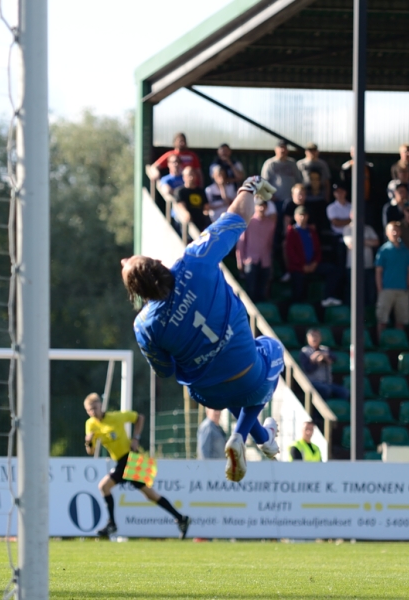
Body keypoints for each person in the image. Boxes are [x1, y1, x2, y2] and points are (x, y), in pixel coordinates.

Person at [123, 176, 283, 483]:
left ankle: (263, 438)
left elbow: (165, 370)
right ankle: (241, 435)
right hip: (245, 371)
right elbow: (238, 216)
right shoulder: (194, 260)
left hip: (207, 392)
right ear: (159, 263)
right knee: (272, 351)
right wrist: (248, 187)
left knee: (226, 379)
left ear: (139, 294)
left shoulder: (144, 326)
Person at [83, 393, 190, 539]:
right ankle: (181, 518)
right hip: (122, 461)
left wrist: (136, 438)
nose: (93, 412)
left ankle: (112, 524)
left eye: (95, 408)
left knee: (104, 486)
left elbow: (139, 418)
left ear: (100, 405)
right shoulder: (90, 424)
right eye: (89, 410)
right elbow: (91, 451)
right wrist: (88, 442)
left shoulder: (115, 417)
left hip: (131, 458)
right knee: (150, 494)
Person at [284, 206, 342, 307]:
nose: (303, 218)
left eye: (305, 215)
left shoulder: (311, 231)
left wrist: (314, 263)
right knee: (298, 289)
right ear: (295, 217)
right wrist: (303, 265)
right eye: (300, 215)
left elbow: (317, 250)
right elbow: (291, 253)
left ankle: (327, 297)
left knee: (333, 270)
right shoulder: (292, 232)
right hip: (298, 267)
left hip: (313, 265)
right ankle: (298, 310)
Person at [374, 221, 409, 335]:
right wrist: (380, 288)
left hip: (402, 290)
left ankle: (398, 344)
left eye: (397, 230)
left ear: (400, 232)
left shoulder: (406, 251)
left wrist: (408, 286)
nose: (395, 233)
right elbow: (378, 271)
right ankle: (380, 344)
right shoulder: (383, 250)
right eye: (392, 230)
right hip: (386, 289)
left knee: (401, 321)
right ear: (387, 233)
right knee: (382, 320)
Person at [235, 197, 276, 303]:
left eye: (264, 206)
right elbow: (241, 242)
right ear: (255, 207)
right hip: (250, 260)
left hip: (265, 261)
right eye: (259, 206)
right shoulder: (248, 221)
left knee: (262, 291)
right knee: (251, 291)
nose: (262, 208)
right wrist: (240, 261)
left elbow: (270, 244)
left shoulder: (271, 224)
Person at [299, 328, 349, 400]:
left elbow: (334, 359)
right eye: (312, 336)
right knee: (325, 390)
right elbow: (308, 369)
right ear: (308, 338)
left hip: (327, 382)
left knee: (344, 392)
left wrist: (323, 356)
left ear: (320, 338)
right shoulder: (304, 351)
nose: (314, 338)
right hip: (312, 382)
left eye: (316, 336)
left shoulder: (325, 349)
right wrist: (317, 361)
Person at [342, 212, 380, 306]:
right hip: (353, 266)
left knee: (369, 292)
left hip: (368, 266)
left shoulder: (368, 228)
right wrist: (367, 241)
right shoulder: (347, 229)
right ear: (351, 215)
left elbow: (376, 242)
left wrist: (359, 240)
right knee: (353, 292)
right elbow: (350, 244)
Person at [261, 139, 303, 203]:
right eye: (281, 147)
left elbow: (298, 181)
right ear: (276, 149)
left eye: (285, 148)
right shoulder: (270, 163)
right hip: (276, 200)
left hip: (291, 200)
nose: (283, 150)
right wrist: (270, 196)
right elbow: (264, 183)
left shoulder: (292, 163)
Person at [174, 167, 210, 233]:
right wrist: (186, 214)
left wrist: (206, 213)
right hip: (187, 223)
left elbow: (206, 206)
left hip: (200, 222)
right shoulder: (180, 191)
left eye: (193, 175)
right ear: (184, 177)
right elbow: (180, 205)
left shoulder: (201, 191)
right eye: (189, 175)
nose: (191, 178)